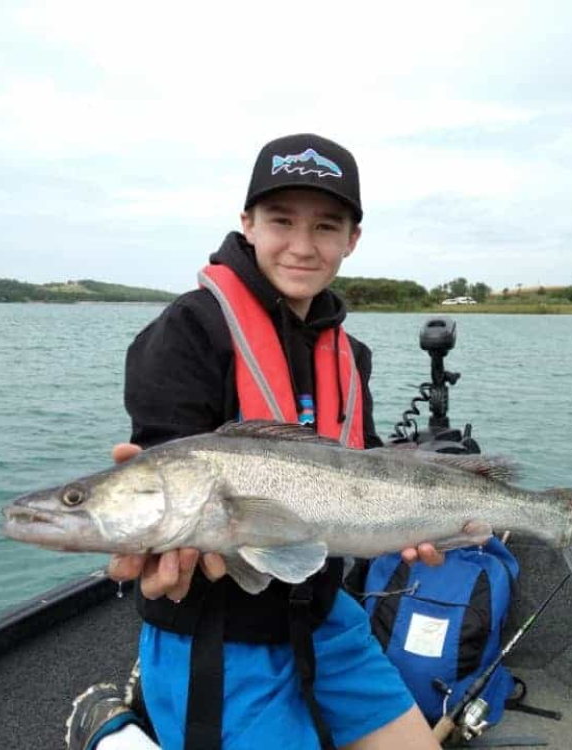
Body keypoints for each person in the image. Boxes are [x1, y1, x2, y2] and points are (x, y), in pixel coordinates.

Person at [67, 134, 450, 750]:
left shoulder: (350, 355)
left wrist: (415, 526)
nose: (302, 245)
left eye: (326, 226)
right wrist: (152, 548)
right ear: (246, 223)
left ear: (352, 239)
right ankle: (112, 731)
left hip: (325, 614)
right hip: (219, 627)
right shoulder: (187, 331)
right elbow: (168, 477)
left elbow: (366, 464)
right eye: (281, 221)